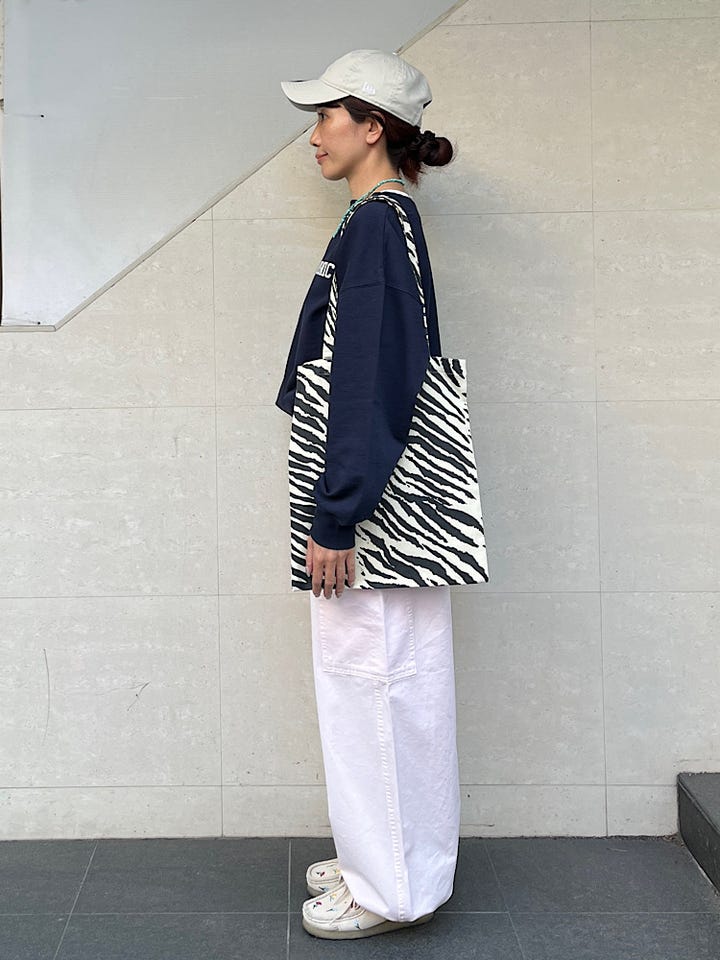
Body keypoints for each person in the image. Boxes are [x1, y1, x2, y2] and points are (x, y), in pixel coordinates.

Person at [276, 49, 460, 940]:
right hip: (388, 499)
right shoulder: (384, 221)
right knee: (397, 684)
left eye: (325, 117)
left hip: (369, 508)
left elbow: (369, 380)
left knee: (371, 686)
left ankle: (387, 887)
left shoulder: (378, 227)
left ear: (372, 126)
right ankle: (389, 854)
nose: (314, 135)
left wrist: (338, 511)